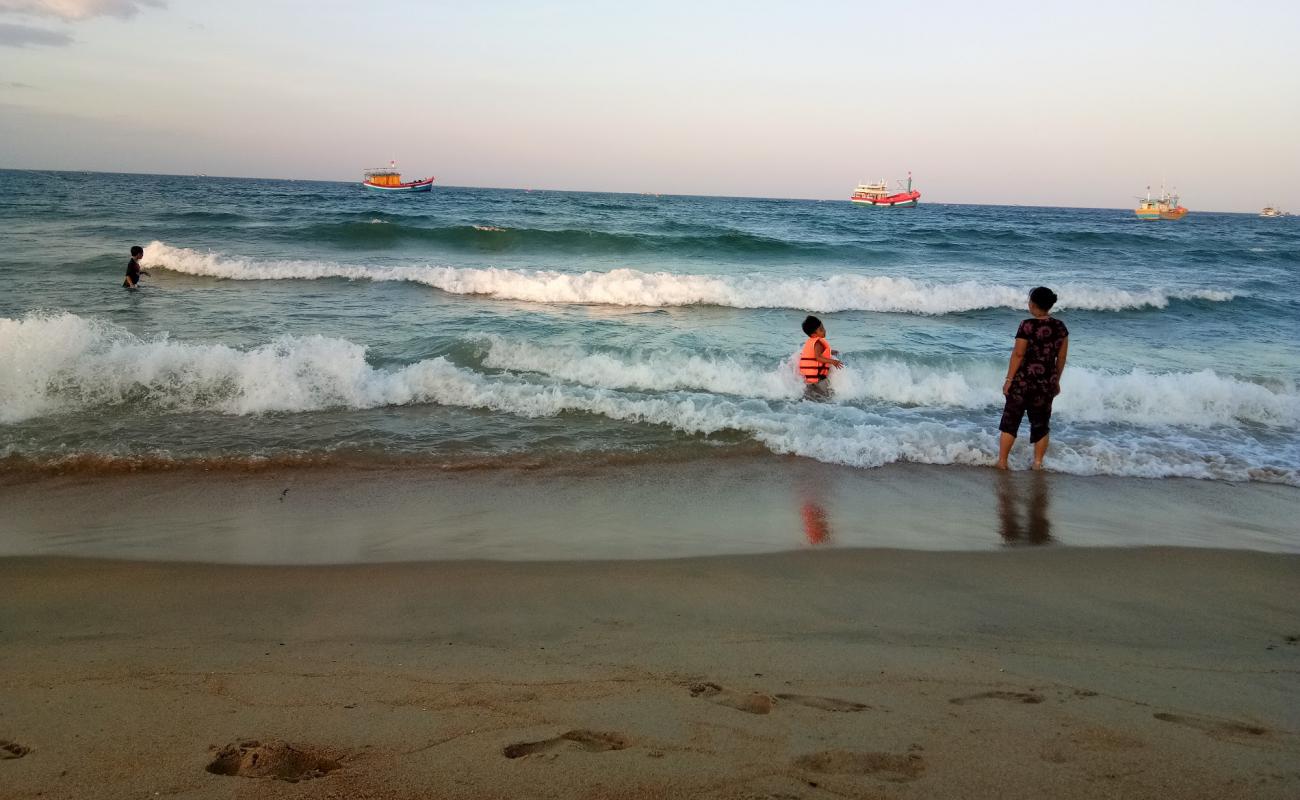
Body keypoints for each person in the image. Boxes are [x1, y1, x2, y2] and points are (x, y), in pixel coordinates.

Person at [996, 287, 1068, 470]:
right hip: (1046, 383)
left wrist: (1008, 380)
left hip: (1022, 381)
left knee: (1011, 422)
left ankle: (1003, 462)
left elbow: (1018, 355)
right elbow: (1061, 358)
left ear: (1034, 304)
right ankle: (1037, 464)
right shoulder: (1060, 327)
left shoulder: (1027, 325)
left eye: (1029, 300)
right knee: (1041, 424)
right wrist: (1056, 380)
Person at [797, 315, 843, 399]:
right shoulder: (818, 343)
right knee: (829, 398)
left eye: (823, 327)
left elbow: (815, 353)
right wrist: (833, 362)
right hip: (819, 380)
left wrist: (830, 352)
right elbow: (818, 357)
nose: (824, 331)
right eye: (821, 329)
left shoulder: (811, 342)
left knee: (811, 399)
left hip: (809, 380)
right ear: (813, 334)